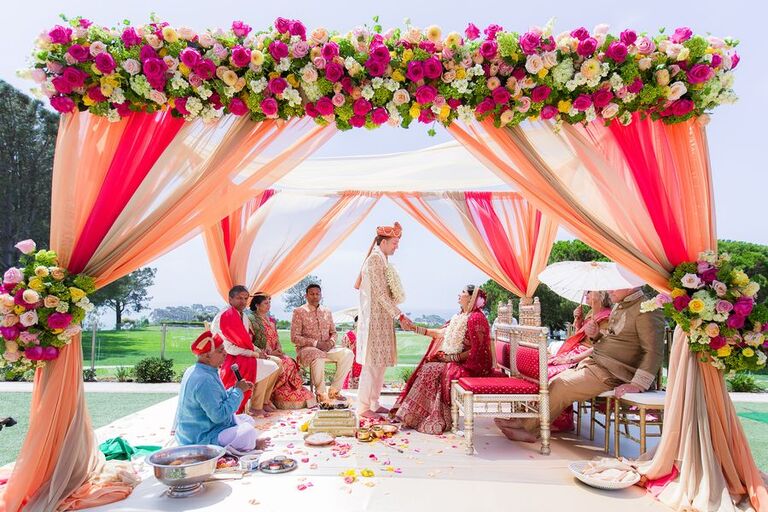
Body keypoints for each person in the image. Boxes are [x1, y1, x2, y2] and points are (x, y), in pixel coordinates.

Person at [496, 287, 664, 443]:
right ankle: (525, 422)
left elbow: (654, 351)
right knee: (553, 381)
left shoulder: (646, 309)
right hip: (596, 364)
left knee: (560, 386)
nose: (609, 290)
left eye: (613, 285)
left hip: (613, 372)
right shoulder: (621, 306)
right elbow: (614, 340)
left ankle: (530, 431)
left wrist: (638, 384)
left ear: (629, 285)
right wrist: (596, 335)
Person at [390, 285, 493, 434]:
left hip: (469, 366)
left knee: (432, 369)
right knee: (429, 367)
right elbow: (439, 333)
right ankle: (417, 415)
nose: (459, 294)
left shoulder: (476, 318)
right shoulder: (458, 317)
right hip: (456, 361)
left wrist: (451, 358)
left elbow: (476, 350)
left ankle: (428, 415)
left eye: (463, 292)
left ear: (471, 298)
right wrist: (414, 328)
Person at [354, 221, 414, 419]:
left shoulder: (383, 260)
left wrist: (395, 314)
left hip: (383, 318)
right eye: (395, 242)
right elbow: (380, 293)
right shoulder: (374, 260)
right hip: (373, 321)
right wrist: (400, 315)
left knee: (380, 364)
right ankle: (363, 408)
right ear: (385, 242)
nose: (397, 246)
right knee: (371, 364)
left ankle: (374, 402)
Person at [174, 330, 268, 453]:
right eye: (220, 351)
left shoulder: (198, 370)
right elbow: (219, 416)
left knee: (247, 419)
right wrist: (238, 391)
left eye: (224, 349)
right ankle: (250, 444)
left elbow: (217, 398)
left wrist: (235, 388)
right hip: (199, 440)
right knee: (248, 433)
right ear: (207, 356)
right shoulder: (204, 379)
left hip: (194, 432)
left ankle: (245, 441)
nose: (225, 353)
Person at [547, 291, 612, 431]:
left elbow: (600, 346)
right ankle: (540, 416)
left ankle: (562, 421)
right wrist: (578, 322)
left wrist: (571, 359)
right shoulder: (590, 313)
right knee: (543, 368)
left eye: (590, 291)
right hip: (576, 351)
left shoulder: (607, 316)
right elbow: (580, 337)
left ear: (600, 295)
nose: (586, 294)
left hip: (587, 357)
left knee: (554, 375)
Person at [212, 285, 280, 416]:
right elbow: (228, 348)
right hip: (229, 358)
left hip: (243, 354)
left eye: (245, 298)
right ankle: (256, 405)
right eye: (239, 298)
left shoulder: (243, 316)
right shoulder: (225, 317)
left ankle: (262, 402)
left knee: (277, 362)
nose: (243, 302)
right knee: (271, 365)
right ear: (230, 299)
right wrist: (254, 354)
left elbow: (247, 342)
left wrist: (259, 352)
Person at [248, 292, 314, 409]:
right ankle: (267, 397)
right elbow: (250, 342)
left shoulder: (271, 320)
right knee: (284, 363)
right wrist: (269, 353)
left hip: (275, 353)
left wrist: (278, 349)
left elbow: (276, 338)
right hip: (261, 354)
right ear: (257, 305)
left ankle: (280, 393)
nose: (268, 305)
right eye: (265, 303)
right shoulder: (251, 320)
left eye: (269, 303)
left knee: (290, 361)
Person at [291, 284, 354, 404]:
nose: (315, 296)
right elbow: (294, 337)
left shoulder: (327, 311)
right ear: (306, 295)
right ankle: (321, 393)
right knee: (318, 356)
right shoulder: (299, 312)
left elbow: (334, 332)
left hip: (327, 348)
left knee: (348, 354)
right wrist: (316, 343)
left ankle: (334, 391)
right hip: (308, 349)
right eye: (312, 294)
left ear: (321, 295)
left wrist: (331, 342)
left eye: (317, 294)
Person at [341, 316, 362, 389]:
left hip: (362, 362)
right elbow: (343, 349)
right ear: (355, 323)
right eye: (359, 321)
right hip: (351, 362)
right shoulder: (348, 335)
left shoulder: (366, 336)